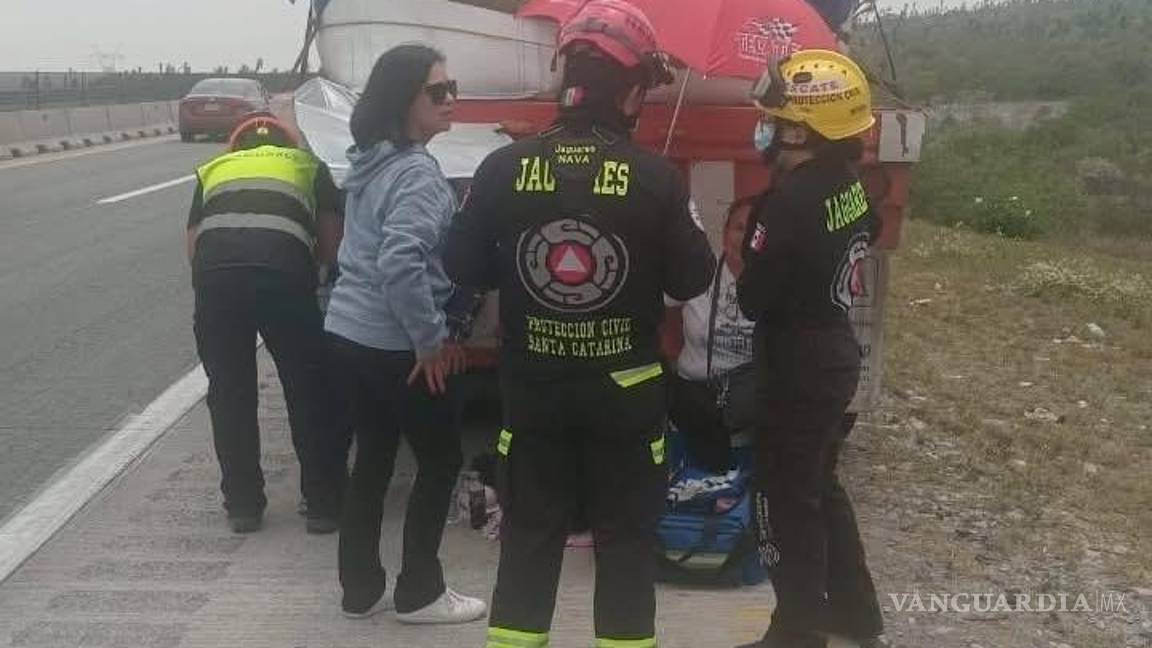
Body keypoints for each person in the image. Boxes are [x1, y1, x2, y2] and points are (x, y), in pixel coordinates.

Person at [444, 1, 716, 645]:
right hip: (627, 399)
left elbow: (461, 265)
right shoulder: (656, 178)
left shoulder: (502, 168)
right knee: (625, 546)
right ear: (629, 91)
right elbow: (692, 279)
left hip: (534, 395)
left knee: (530, 540)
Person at [323, 43, 487, 624]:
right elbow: (400, 263)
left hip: (348, 332)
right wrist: (431, 341)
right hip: (397, 344)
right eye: (437, 92)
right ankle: (420, 592)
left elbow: (355, 250)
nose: (451, 101)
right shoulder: (418, 173)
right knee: (440, 460)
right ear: (404, 100)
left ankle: (359, 589)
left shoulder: (372, 159)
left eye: (452, 88)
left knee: (372, 456)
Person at [735, 50, 886, 648]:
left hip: (797, 366)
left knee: (780, 499)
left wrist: (753, 249)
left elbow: (752, 298)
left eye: (771, 118)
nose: (763, 128)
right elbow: (869, 228)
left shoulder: (787, 201)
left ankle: (795, 631)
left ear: (800, 129)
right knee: (819, 485)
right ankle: (855, 614)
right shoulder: (848, 184)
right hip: (834, 355)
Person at [187, 113, 346, 535]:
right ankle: (323, 505)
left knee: (229, 393)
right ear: (290, 144)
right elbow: (331, 246)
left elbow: (193, 247)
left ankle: (243, 506)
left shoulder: (214, 170)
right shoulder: (310, 167)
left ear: (236, 147)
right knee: (307, 388)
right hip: (284, 278)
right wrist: (300, 270)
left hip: (216, 281)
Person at [663, 197, 759, 473]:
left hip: (748, 401)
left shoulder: (778, 281)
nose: (745, 239)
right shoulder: (699, 270)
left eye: (755, 230)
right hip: (693, 396)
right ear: (725, 232)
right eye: (740, 228)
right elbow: (646, 298)